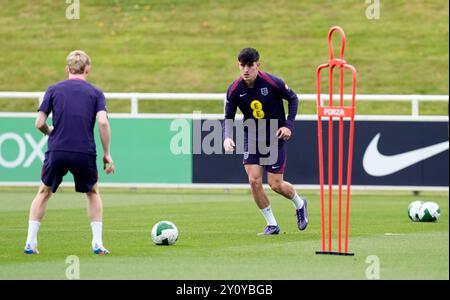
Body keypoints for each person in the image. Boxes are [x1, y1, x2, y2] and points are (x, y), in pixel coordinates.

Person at [23, 50, 115, 255]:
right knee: (92, 193)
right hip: (84, 152)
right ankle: (97, 244)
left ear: (67, 69)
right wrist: (107, 152)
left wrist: (50, 132)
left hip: (57, 149)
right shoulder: (96, 93)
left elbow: (39, 123)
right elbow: (102, 122)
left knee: (44, 192)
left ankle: (30, 242)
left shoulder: (53, 89)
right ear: (88, 69)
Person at [223, 48, 308, 235]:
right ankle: (272, 224)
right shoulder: (234, 89)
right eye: (242, 65)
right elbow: (228, 117)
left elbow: (293, 99)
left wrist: (288, 126)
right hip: (252, 136)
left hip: (275, 136)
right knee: (254, 181)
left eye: (249, 65)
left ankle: (300, 203)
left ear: (257, 65)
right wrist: (227, 137)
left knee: (275, 184)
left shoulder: (273, 82)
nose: (245, 70)